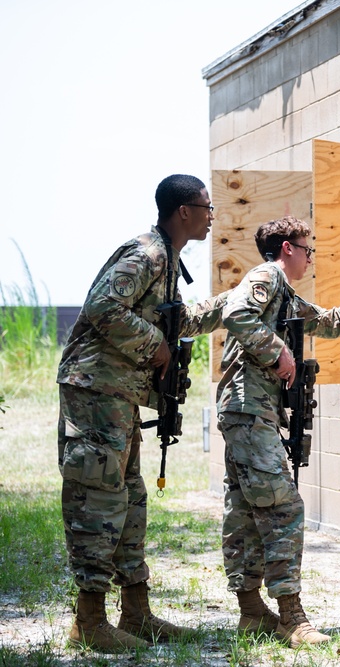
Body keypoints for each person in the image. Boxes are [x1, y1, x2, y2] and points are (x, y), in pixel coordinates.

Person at [57, 174, 230, 652]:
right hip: (94, 391)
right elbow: (101, 307)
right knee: (99, 499)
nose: (212, 216)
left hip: (117, 395)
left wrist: (223, 307)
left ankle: (135, 612)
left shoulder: (170, 260)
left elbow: (169, 319)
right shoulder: (148, 254)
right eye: (206, 207)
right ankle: (88, 621)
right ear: (184, 213)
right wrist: (155, 345)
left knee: (130, 498)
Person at [216, 216, 340, 648]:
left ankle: (252, 612)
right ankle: (291, 616)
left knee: (245, 508)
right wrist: (277, 350)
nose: (310, 259)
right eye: (308, 250)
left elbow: (332, 321)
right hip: (248, 409)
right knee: (283, 506)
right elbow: (236, 312)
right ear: (288, 249)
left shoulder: (287, 296)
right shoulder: (267, 275)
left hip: (249, 410)